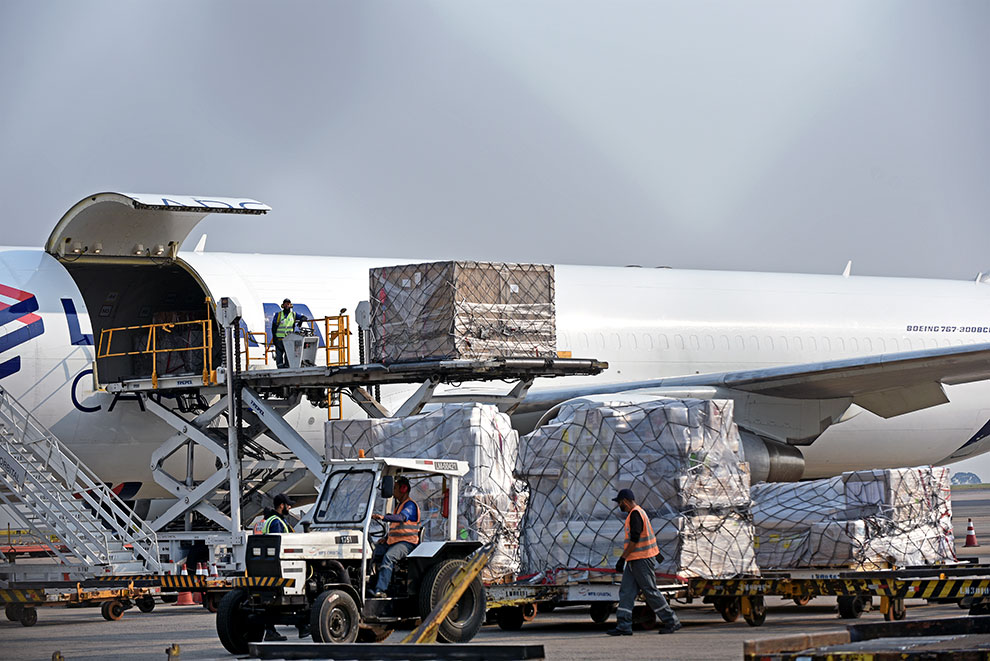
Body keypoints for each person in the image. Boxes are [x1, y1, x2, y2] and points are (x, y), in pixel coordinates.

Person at [606, 488, 682, 636]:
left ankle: (672, 621)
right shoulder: (635, 514)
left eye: (620, 502)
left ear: (625, 502)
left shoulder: (635, 514)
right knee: (626, 592)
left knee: (650, 591)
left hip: (642, 560)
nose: (619, 505)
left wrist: (622, 558)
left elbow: (635, 540)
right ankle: (624, 626)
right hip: (634, 560)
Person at [370, 476, 420, 598]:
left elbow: (401, 518)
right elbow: (396, 526)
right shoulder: (398, 506)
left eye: (395, 488)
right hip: (394, 542)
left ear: (403, 489)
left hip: (407, 543)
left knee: (389, 557)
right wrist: (386, 538)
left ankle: (381, 590)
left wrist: (383, 517)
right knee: (372, 552)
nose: (392, 491)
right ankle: (369, 585)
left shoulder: (410, 506)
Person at [270, 299, 306, 369]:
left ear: (290, 305)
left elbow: (304, 317)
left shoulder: (293, 314)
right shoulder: (279, 315)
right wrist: (274, 338)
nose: (287, 305)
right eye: (285, 304)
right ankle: (280, 369)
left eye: (288, 304)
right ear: (283, 305)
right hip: (279, 339)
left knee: (288, 355)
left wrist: (301, 320)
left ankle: (287, 367)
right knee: (279, 355)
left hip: (289, 339)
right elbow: (274, 327)